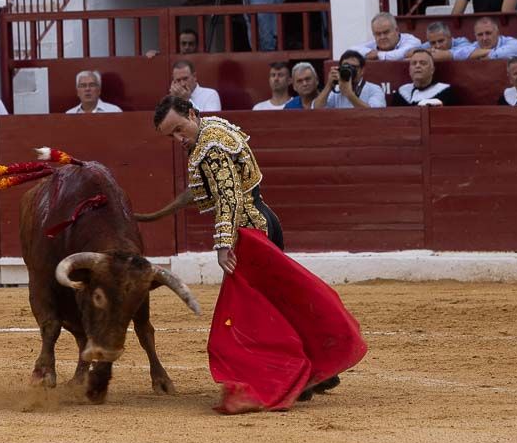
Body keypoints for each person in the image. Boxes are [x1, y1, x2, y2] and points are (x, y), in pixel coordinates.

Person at [148, 95, 366, 412]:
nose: (178, 139)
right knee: (280, 304)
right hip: (265, 221)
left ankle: (283, 377)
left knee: (249, 319)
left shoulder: (210, 150)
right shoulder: (214, 128)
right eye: (171, 135)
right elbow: (210, 191)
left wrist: (224, 244)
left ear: (192, 114)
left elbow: (229, 198)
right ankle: (316, 370)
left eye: (179, 129)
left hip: (249, 234)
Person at [313, 49, 385, 108]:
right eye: (346, 67)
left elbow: (375, 113)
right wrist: (329, 86)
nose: (350, 70)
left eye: (354, 67)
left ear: (362, 70)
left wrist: (349, 94)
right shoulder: (337, 90)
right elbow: (316, 109)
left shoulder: (374, 89)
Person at [355, 12, 421, 60]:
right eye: (378, 34)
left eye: (386, 32)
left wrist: (377, 55)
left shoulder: (411, 40)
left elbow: (398, 55)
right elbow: (351, 50)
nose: (382, 37)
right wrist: (368, 53)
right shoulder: (373, 43)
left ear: (397, 30)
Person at [453, 16, 517, 60]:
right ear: (475, 36)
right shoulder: (474, 46)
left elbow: (514, 49)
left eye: (488, 33)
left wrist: (479, 54)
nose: (484, 38)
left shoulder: (513, 43)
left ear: (497, 33)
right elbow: (456, 54)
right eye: (480, 35)